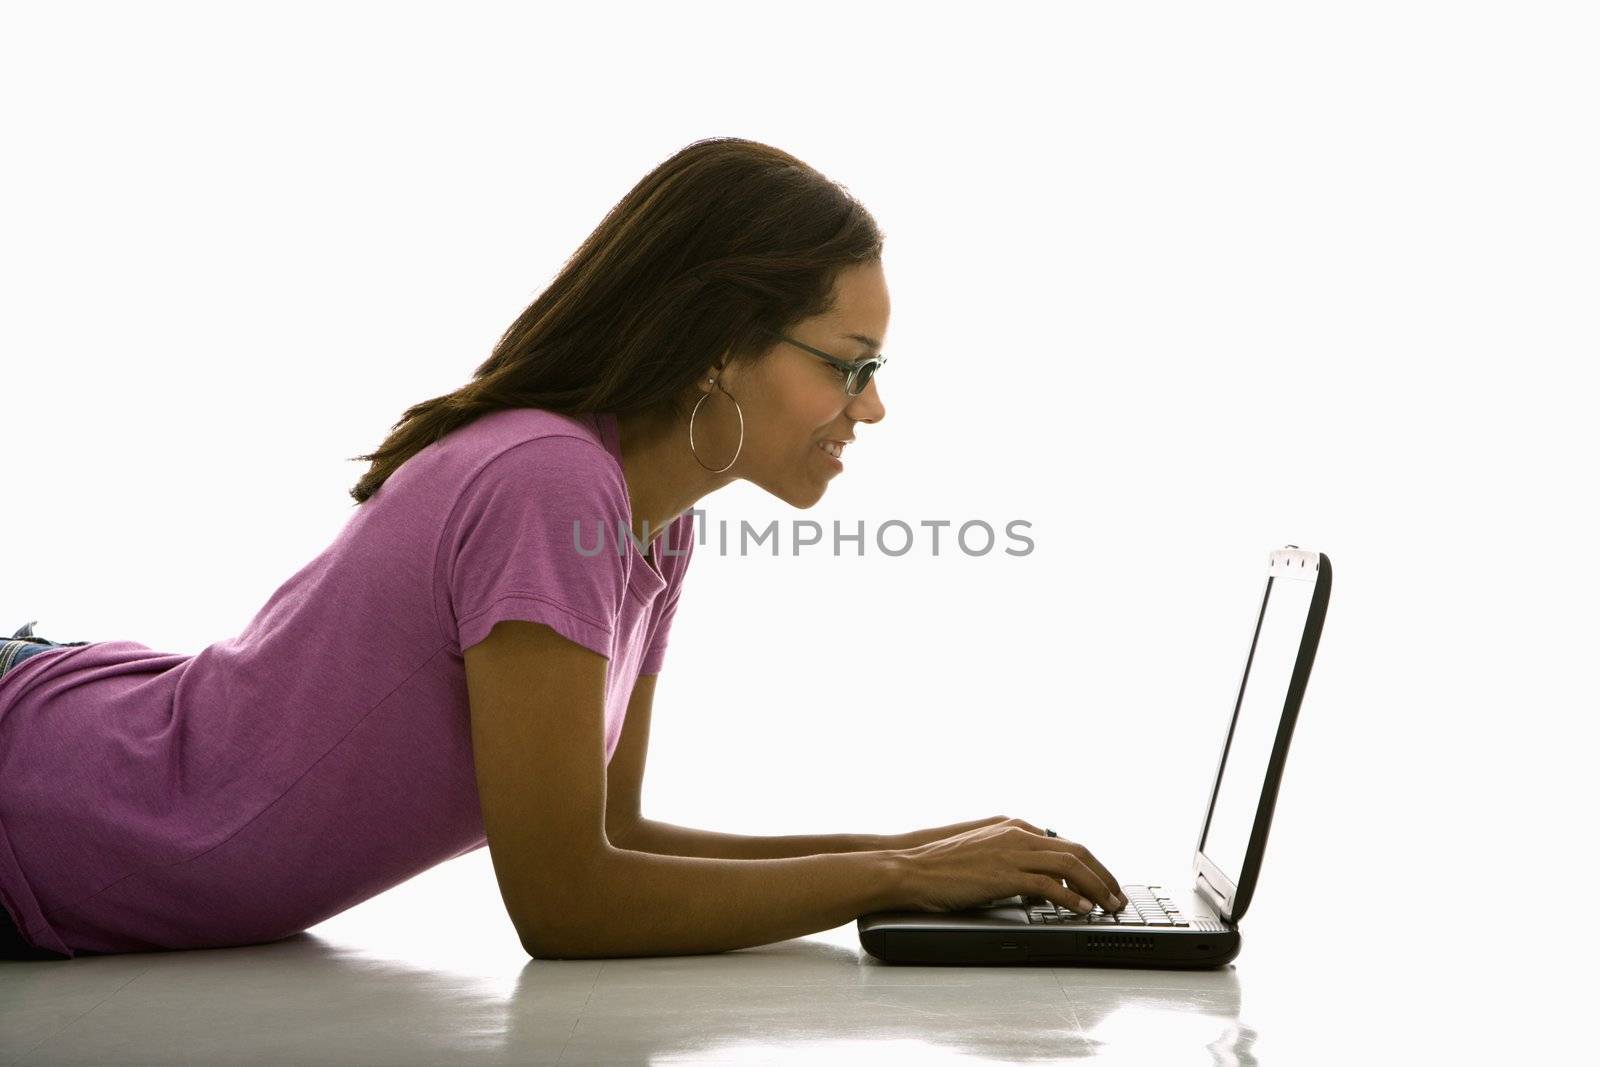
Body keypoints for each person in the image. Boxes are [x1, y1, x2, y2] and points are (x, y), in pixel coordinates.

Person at [0, 137, 1121, 962]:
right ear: (723, 344)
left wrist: (922, 856)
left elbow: (609, 835)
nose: (866, 410)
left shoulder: (648, 519)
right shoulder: (548, 480)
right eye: (850, 364)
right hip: (34, 792)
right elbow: (566, 905)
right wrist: (895, 873)